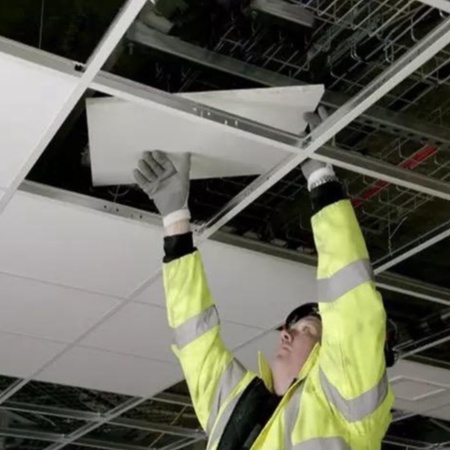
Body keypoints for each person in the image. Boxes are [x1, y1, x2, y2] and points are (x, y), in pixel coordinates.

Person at [134, 113, 396, 449]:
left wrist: (175, 223)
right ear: (331, 353)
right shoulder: (347, 408)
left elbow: (195, 341)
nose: (286, 334)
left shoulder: (233, 414)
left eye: (299, 329)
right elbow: (352, 308)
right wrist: (322, 180)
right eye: (306, 329)